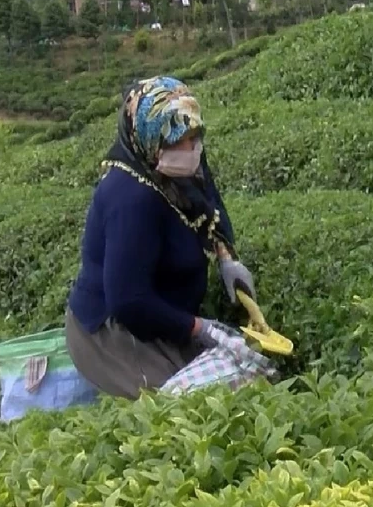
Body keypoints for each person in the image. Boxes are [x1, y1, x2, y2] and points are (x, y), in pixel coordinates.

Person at [64, 76, 257, 399]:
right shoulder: (130, 198)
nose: (191, 149)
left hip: (165, 313)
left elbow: (209, 202)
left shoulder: (181, 162)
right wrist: (201, 328)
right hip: (115, 331)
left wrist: (226, 257)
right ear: (151, 140)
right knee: (183, 407)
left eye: (195, 137)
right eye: (180, 141)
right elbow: (129, 300)